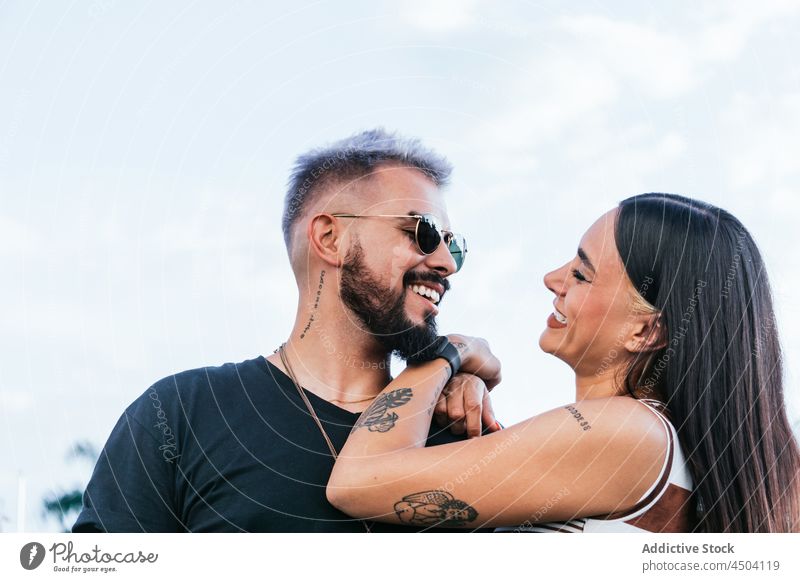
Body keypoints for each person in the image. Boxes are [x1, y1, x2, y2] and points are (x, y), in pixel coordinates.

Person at [72, 129, 501, 532]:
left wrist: (447, 367)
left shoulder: (461, 430)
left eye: (454, 245)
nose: (446, 264)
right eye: (423, 232)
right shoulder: (180, 414)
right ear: (330, 238)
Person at [327, 193, 800, 533]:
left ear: (646, 331)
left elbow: (356, 483)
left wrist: (447, 353)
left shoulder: (628, 435)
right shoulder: (647, 444)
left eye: (581, 273)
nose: (552, 278)